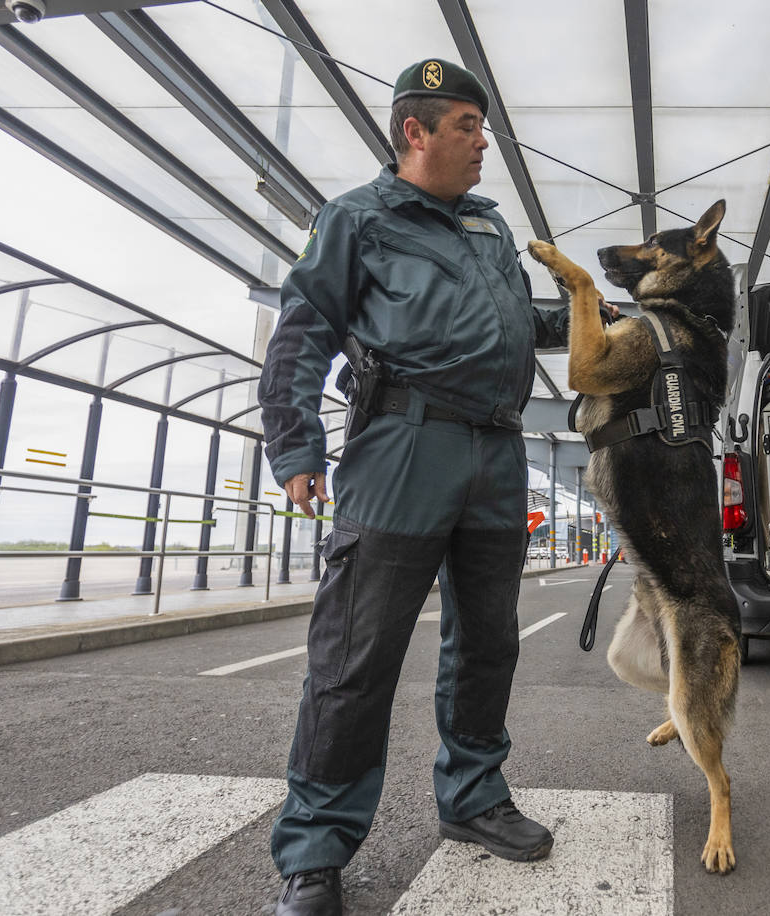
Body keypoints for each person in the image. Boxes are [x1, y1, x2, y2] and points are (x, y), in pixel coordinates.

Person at [258, 57, 611, 916]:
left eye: (481, 127)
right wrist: (295, 445)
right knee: (357, 654)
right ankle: (314, 853)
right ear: (414, 132)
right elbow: (302, 331)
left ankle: (475, 798)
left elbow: (522, 324)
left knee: (488, 642)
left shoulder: (489, 230)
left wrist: (605, 312)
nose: (483, 141)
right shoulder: (355, 220)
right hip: (400, 449)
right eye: (466, 126)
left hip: (496, 457)